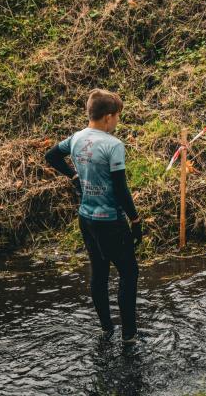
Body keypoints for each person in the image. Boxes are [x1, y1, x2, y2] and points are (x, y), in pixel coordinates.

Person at [45, 88, 143, 343]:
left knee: (99, 273)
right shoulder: (113, 145)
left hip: (86, 219)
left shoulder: (77, 138)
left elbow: (52, 155)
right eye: (118, 116)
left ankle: (106, 328)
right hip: (110, 219)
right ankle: (129, 335)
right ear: (109, 117)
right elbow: (121, 189)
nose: (118, 121)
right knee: (129, 273)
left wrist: (74, 175)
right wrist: (135, 219)